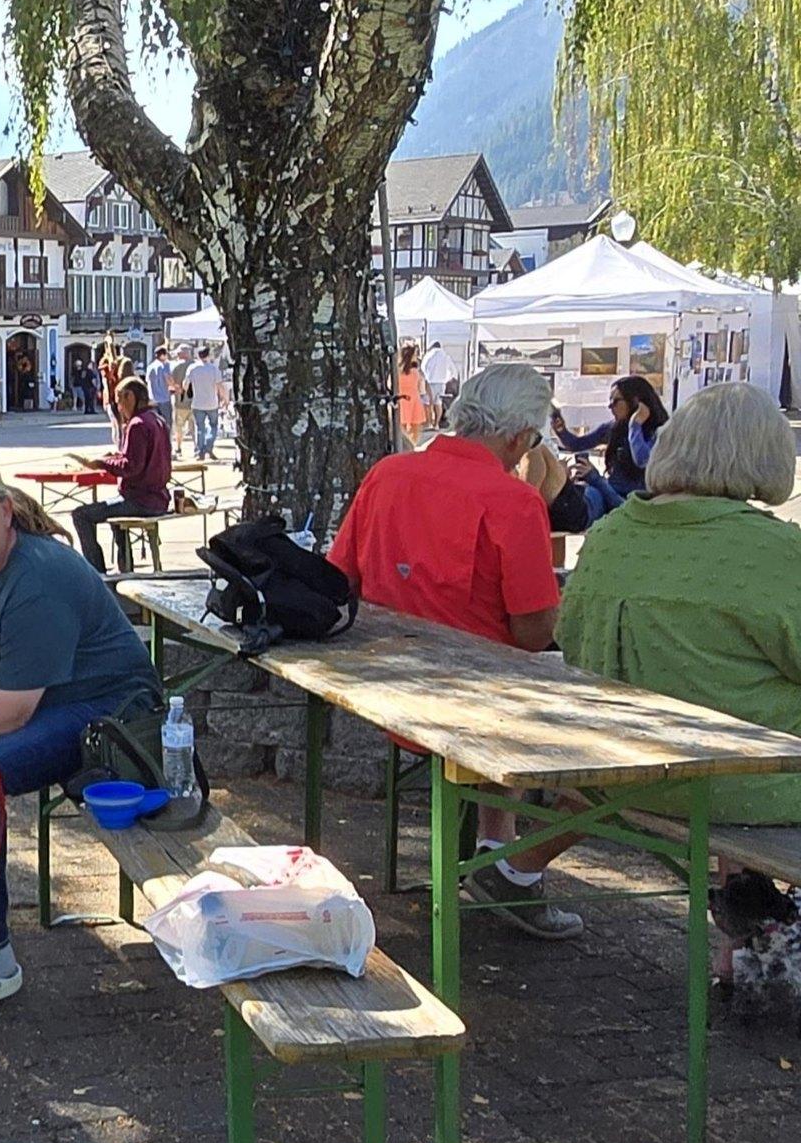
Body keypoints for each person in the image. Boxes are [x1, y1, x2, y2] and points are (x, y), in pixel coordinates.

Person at [0, 450, 163, 1015]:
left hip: (102, 708)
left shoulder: (38, 577)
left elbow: (12, 716)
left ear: (5, 510)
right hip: (23, 698)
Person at [327, 363, 585, 939]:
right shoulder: (513, 501)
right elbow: (533, 634)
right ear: (521, 438)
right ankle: (512, 867)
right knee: (580, 700)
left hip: (387, 684)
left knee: (502, 680)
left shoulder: (388, 473)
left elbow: (337, 575)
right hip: (469, 704)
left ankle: (497, 850)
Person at [557, 383, 801, 975]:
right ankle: (752, 935)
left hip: (625, 771)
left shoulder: (612, 533)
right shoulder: (776, 550)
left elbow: (567, 638)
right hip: (749, 785)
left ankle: (743, 938)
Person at [68, 376, 173, 573]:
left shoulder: (138, 424)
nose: (119, 408)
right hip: (158, 497)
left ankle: (96, 571)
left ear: (130, 397)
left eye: (119, 401)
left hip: (141, 500)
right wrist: (114, 458)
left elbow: (131, 467)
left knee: (81, 515)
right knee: (115, 512)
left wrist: (100, 463)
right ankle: (125, 568)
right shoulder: (157, 419)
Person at [553, 375, 666, 511]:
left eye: (616, 401)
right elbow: (578, 444)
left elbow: (642, 460)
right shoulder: (613, 428)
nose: (610, 406)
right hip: (607, 494)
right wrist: (562, 431)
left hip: (628, 502)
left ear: (635, 401)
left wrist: (635, 426)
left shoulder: (659, 432)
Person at [186, 348, 226, 458]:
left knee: (200, 427)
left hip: (197, 402)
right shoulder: (213, 369)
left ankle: (200, 451)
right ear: (208, 355)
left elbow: (185, 384)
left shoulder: (192, 368)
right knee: (213, 426)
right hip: (212, 402)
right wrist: (224, 398)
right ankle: (209, 446)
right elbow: (219, 385)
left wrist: (189, 391)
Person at [396, 343, 432, 448]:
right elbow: (421, 388)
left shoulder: (401, 371)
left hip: (408, 398)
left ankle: (410, 445)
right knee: (410, 425)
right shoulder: (411, 371)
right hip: (408, 398)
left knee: (410, 426)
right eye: (415, 354)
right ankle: (409, 445)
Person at [421, 339, 461, 422]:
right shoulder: (445, 356)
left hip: (430, 382)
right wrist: (448, 379)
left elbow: (423, 368)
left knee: (428, 403)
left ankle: (429, 422)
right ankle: (436, 424)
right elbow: (453, 370)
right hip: (441, 383)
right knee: (438, 403)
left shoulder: (428, 355)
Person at [169, 345, 195, 454]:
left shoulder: (176, 367)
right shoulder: (195, 366)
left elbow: (171, 383)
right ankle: (196, 448)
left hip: (180, 402)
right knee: (194, 428)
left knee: (179, 427)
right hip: (195, 402)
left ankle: (178, 448)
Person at [145, 347, 173, 422]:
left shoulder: (150, 367)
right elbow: (168, 380)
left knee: (155, 423)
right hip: (164, 399)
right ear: (162, 355)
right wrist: (174, 386)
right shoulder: (164, 366)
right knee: (166, 423)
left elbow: (147, 381)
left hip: (152, 399)